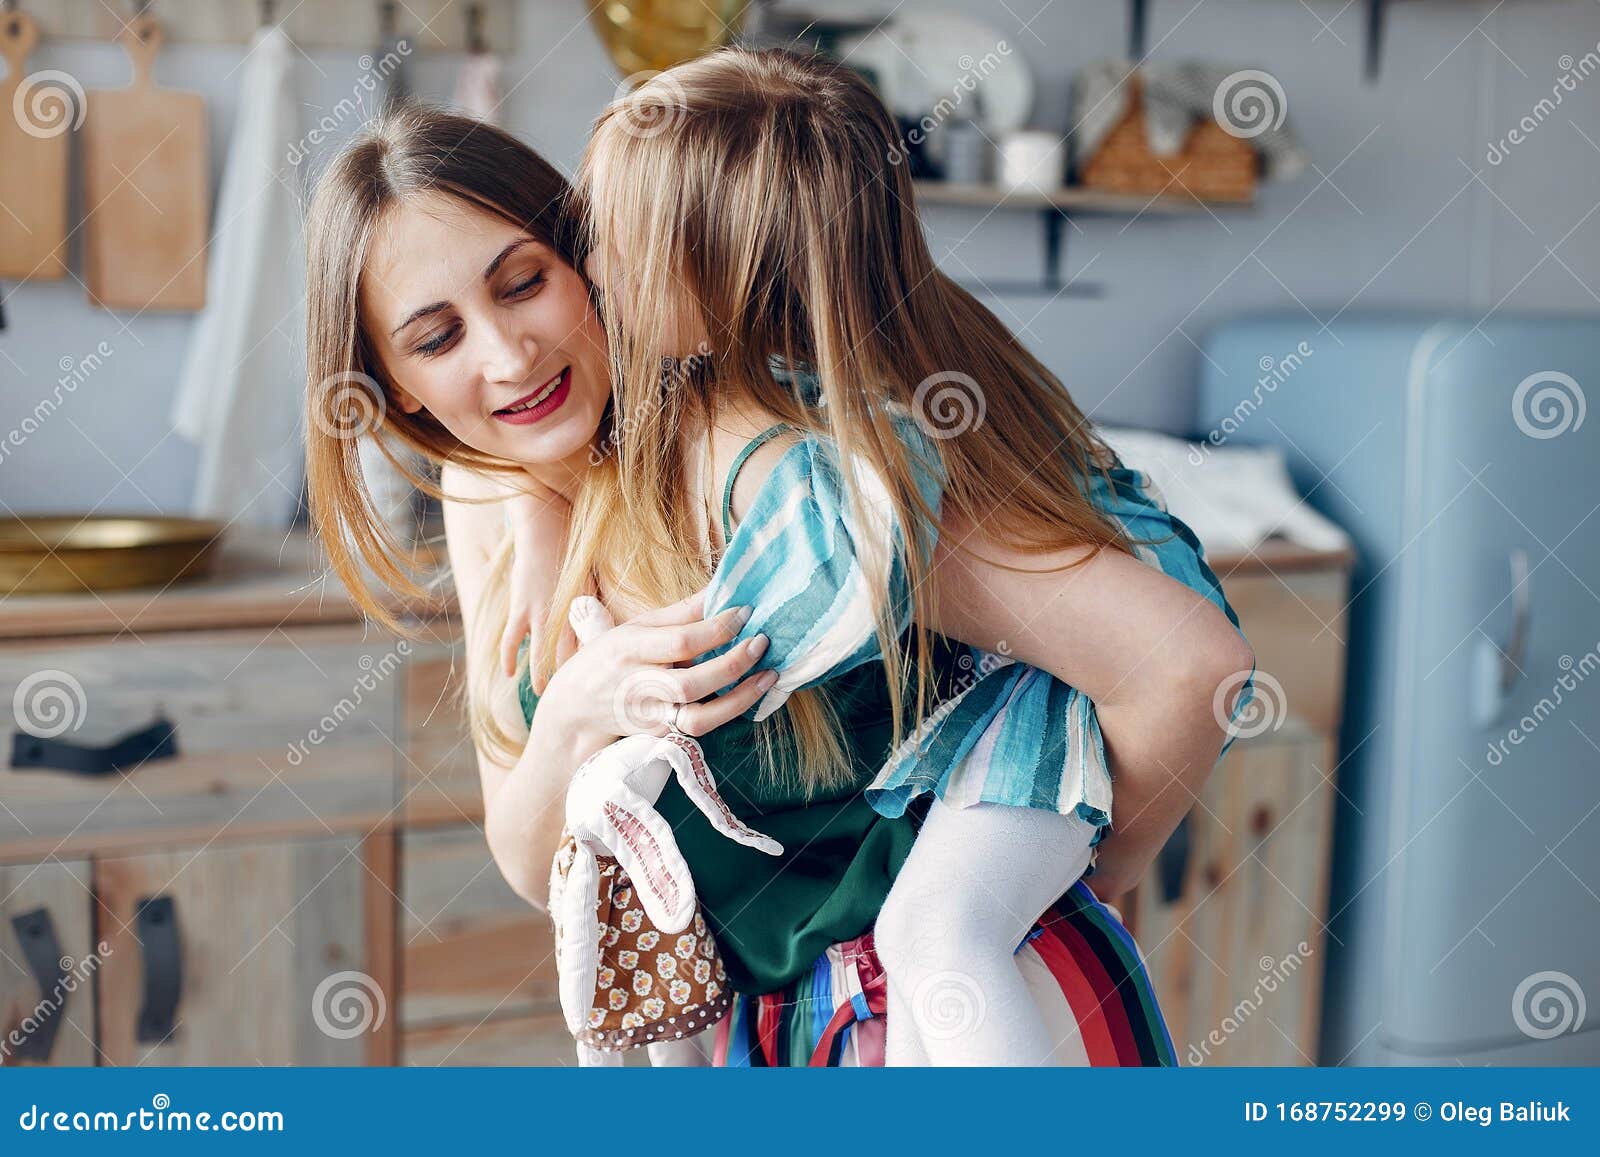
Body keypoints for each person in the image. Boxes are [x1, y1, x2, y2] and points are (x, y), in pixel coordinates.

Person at [303, 101, 1251, 1066]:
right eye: (435, 338)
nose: (507, 356)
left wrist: (1095, 864)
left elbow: (1185, 666)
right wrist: (579, 705)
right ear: (390, 383)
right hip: (776, 1034)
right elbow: (527, 854)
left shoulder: (757, 463)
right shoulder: (489, 488)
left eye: (523, 283)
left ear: (588, 255)